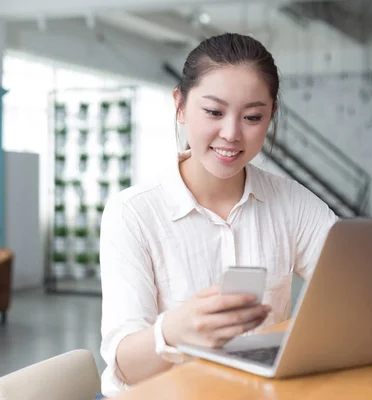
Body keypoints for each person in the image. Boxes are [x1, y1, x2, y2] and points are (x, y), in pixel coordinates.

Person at [98, 32, 338, 397]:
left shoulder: (294, 204)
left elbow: (358, 294)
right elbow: (125, 368)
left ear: (271, 115)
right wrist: (173, 331)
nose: (231, 134)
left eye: (253, 117)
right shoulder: (132, 213)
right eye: (213, 112)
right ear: (180, 105)